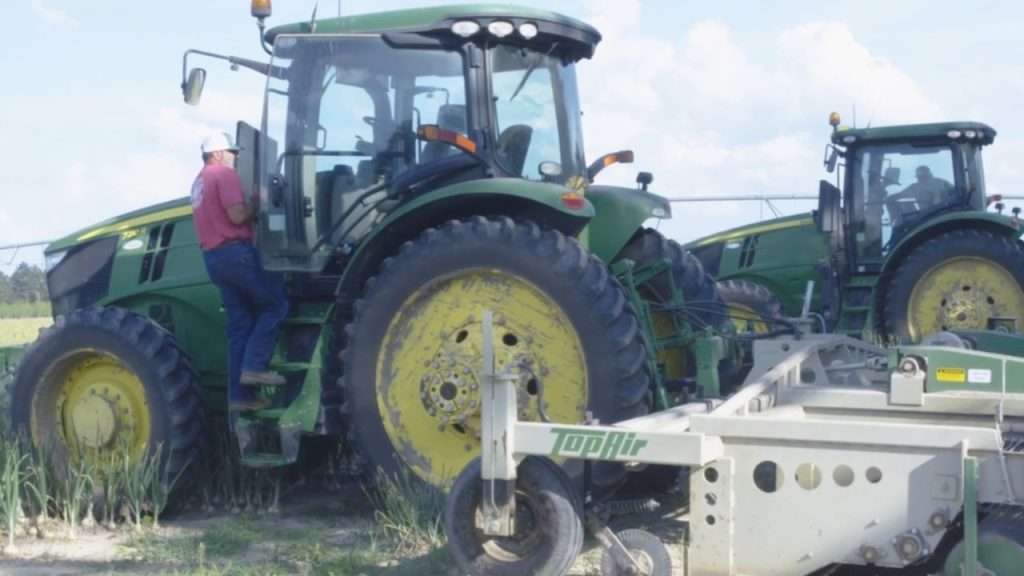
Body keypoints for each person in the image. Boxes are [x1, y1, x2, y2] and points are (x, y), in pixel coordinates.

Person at [191, 131, 289, 411]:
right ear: (218, 154)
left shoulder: (198, 182)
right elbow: (237, 215)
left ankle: (239, 398)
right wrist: (258, 201)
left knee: (239, 326)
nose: (235, 158)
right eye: (232, 153)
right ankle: (255, 367)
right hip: (237, 255)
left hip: (214, 259)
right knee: (275, 305)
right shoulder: (223, 175)